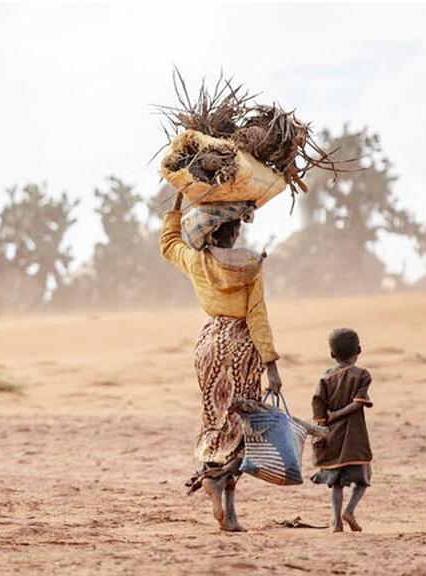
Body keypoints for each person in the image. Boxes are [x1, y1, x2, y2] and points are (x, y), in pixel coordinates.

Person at [160, 192, 281, 532]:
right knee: (245, 428)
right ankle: (218, 482)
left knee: (216, 423)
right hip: (242, 347)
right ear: (233, 234)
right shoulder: (250, 266)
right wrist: (271, 364)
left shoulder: (196, 260)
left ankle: (228, 513)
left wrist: (178, 203)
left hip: (209, 344)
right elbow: (257, 316)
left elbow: (168, 244)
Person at [311, 327, 373, 532]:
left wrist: (321, 428)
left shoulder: (325, 378)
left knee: (336, 482)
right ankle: (350, 510)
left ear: (332, 355)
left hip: (331, 438)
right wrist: (338, 415)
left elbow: (318, 405)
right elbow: (358, 403)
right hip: (355, 439)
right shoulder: (362, 375)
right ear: (359, 350)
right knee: (364, 478)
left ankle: (337, 521)